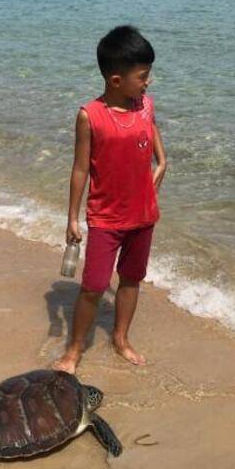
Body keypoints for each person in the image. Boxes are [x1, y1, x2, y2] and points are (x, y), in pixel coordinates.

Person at [53, 25, 167, 374]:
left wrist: (160, 168)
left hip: (143, 217)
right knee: (94, 286)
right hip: (105, 218)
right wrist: (72, 218)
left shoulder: (145, 106)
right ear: (116, 80)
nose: (148, 83)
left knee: (132, 280)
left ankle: (121, 337)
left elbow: (157, 149)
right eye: (142, 76)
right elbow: (79, 170)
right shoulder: (90, 116)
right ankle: (74, 350)